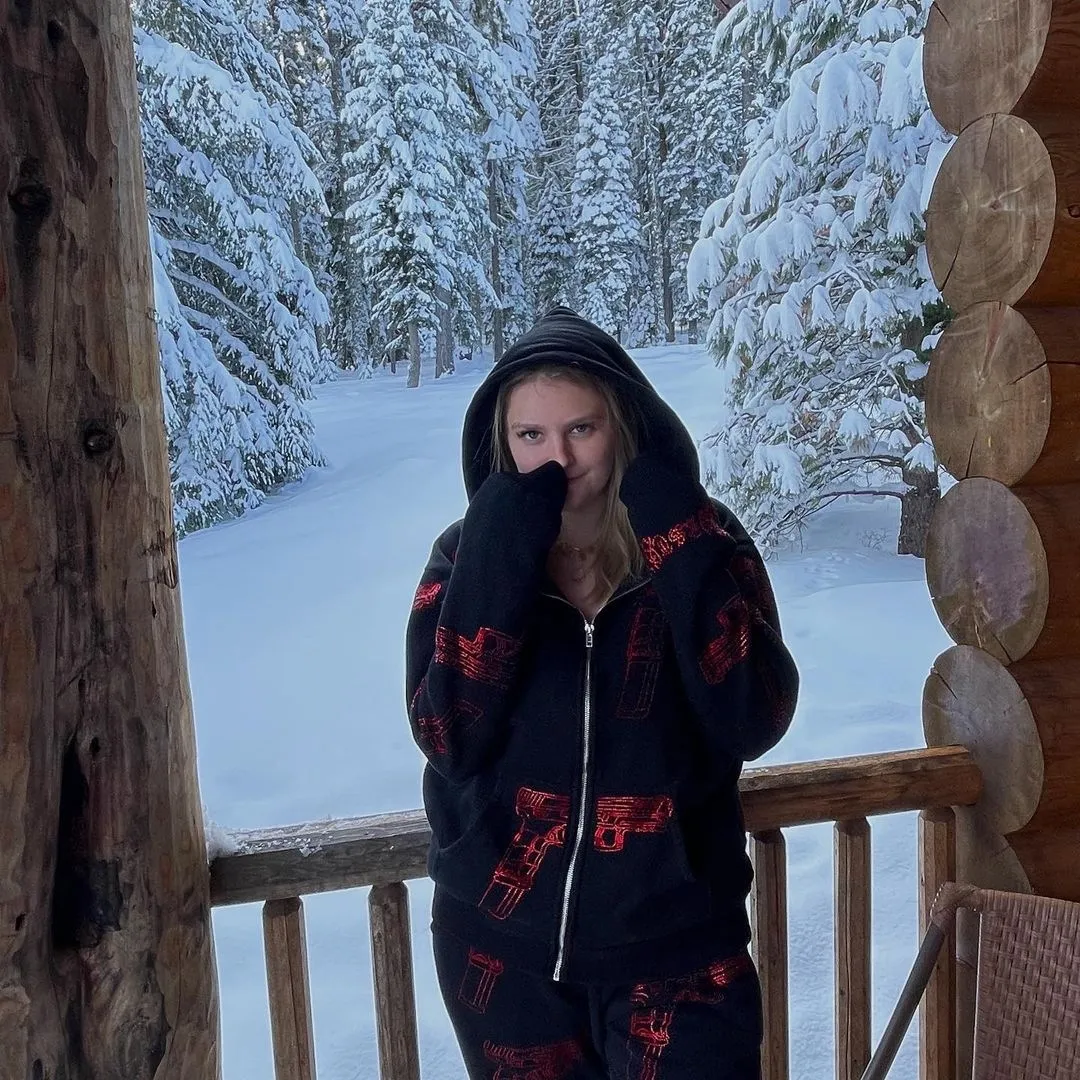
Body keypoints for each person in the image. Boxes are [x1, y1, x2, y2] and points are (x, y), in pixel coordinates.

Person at [406, 308, 799, 1080]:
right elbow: (448, 733)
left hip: (680, 954)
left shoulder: (701, 540)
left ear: (623, 426)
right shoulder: (463, 556)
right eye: (531, 437)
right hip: (502, 955)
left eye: (581, 430)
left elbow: (755, 714)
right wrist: (499, 557)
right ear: (502, 443)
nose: (560, 458)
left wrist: (675, 534)